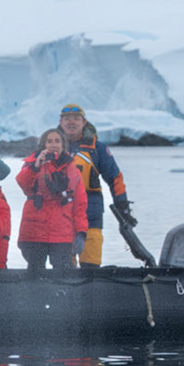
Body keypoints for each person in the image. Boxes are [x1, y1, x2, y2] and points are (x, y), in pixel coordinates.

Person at [57, 103, 135, 266]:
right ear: (61, 122)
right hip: (60, 210)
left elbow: (115, 178)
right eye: (67, 119)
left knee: (90, 262)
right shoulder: (52, 146)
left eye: (76, 119)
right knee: (63, 265)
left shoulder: (97, 148)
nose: (71, 122)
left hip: (90, 210)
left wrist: (122, 206)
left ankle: (90, 288)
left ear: (84, 122)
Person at [14, 128, 86, 276]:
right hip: (35, 230)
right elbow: (23, 184)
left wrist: (81, 232)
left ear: (63, 145)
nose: (54, 144)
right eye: (50, 141)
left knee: (63, 275)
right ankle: (35, 299)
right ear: (43, 145)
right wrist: (36, 166)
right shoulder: (32, 164)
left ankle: (63, 300)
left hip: (61, 231)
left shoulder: (72, 169)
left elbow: (80, 204)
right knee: (35, 274)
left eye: (57, 141)